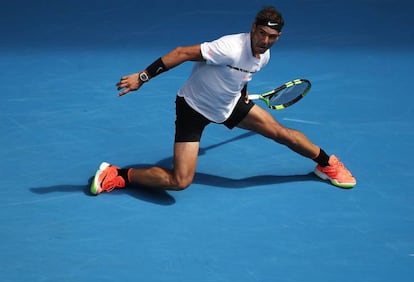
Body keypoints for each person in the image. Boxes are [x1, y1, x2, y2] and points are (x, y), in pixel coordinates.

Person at [90, 6, 356, 195]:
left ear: (279, 37)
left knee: (281, 133)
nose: (264, 41)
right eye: (261, 33)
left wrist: (238, 97)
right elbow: (182, 52)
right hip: (193, 108)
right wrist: (143, 76)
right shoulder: (229, 47)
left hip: (229, 106)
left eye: (271, 37)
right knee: (180, 181)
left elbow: (240, 79)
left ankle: (327, 164)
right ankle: (119, 174)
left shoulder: (263, 56)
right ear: (253, 28)